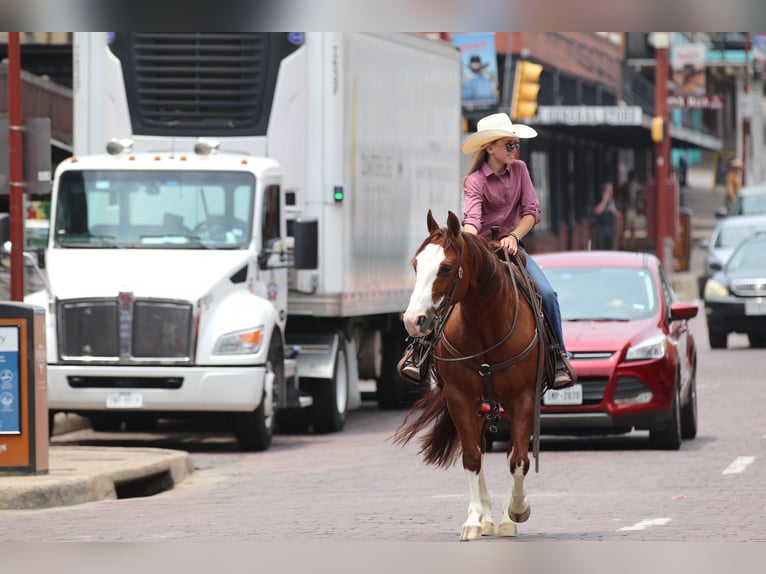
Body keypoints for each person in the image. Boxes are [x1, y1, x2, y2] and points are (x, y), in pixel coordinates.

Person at [459, 112, 575, 389]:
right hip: (482, 251)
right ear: (490, 148)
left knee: (547, 293)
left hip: (513, 248)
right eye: (509, 144)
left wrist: (513, 236)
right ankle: (421, 352)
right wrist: (470, 243)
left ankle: (558, 357)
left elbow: (532, 212)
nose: (515, 149)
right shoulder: (474, 181)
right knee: (445, 292)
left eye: (515, 144)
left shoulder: (520, 170)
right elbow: (471, 221)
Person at [593, 181, 622, 250]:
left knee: (610, 249)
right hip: (601, 228)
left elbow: (620, 215)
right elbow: (597, 211)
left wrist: (613, 210)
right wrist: (604, 201)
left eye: (611, 190)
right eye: (608, 190)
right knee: (600, 249)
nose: (609, 192)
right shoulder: (599, 200)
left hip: (611, 228)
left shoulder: (614, 202)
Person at [618, 170, 642, 249]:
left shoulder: (637, 186)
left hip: (633, 208)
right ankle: (625, 244)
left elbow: (639, 197)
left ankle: (632, 244)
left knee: (634, 227)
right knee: (627, 227)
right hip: (628, 208)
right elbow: (621, 197)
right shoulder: (625, 186)